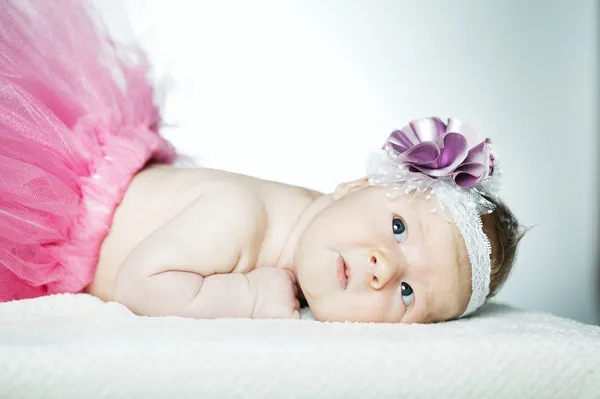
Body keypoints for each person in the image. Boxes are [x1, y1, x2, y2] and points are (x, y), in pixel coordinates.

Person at [0, 0, 525, 323]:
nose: (382, 267)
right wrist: (246, 297)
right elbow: (141, 282)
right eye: (397, 227)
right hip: (40, 206)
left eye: (408, 293)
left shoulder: (301, 239)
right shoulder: (241, 213)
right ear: (356, 184)